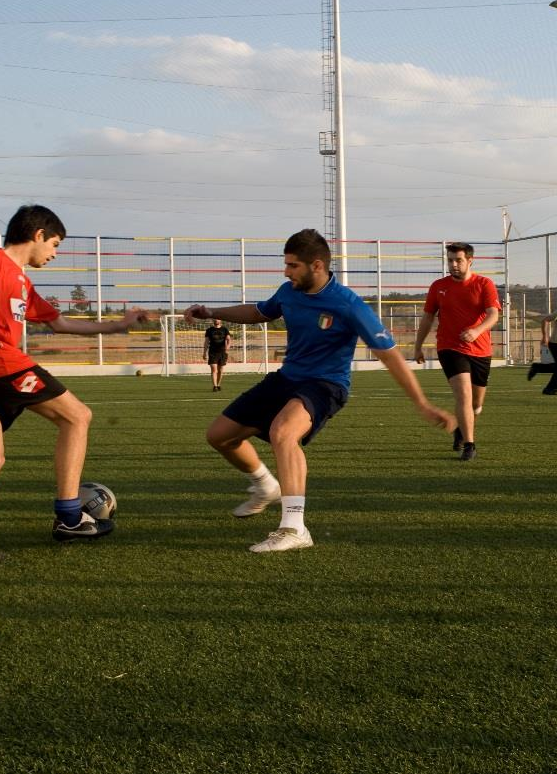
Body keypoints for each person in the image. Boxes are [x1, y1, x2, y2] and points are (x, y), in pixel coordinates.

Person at [185, 229, 455, 553]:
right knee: (219, 436)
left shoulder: (348, 305)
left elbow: (390, 355)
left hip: (326, 385)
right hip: (287, 379)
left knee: (283, 432)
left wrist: (422, 403)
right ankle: (265, 485)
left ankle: (294, 527)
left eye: (292, 266)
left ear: (316, 265)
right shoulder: (288, 292)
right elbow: (259, 312)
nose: (286, 272)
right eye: (285, 265)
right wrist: (212, 313)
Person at [0, 204, 150, 568]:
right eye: (55, 244)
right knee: (77, 416)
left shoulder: (22, 282)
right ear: (38, 235)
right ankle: (69, 518)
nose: (54, 253)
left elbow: (60, 325)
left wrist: (117, 325)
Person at [413, 242, 500, 461]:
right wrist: (418, 346)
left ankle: (461, 429)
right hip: (449, 347)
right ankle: (470, 445)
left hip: (480, 350)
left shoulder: (484, 284)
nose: (453, 265)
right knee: (463, 393)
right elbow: (427, 318)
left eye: (458, 260)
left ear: (470, 260)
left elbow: (493, 315)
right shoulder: (438, 286)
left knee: (476, 404)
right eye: (450, 260)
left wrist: (476, 331)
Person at [204, 318, 232, 392]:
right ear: (213, 321)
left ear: (220, 321)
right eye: (215, 319)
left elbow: (229, 339)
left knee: (220, 370)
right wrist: (204, 353)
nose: (216, 320)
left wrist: (227, 347)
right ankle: (215, 386)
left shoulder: (225, 329)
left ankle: (218, 384)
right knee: (214, 370)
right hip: (212, 352)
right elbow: (206, 342)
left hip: (222, 352)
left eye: (218, 319)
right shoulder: (209, 330)